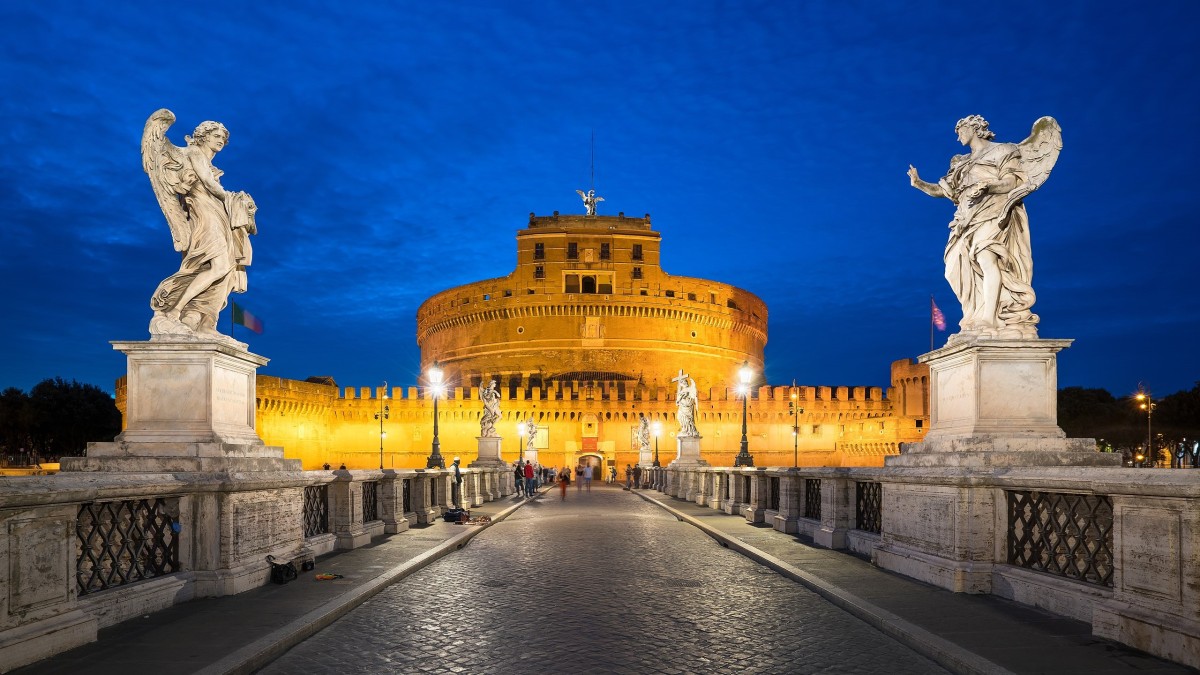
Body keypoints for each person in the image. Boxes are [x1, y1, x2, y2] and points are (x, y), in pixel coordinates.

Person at [907, 115, 1060, 339]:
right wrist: (919, 183)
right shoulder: (961, 162)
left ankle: (990, 318)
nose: (958, 134)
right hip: (965, 218)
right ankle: (974, 316)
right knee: (953, 269)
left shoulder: (1003, 150)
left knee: (986, 256)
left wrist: (989, 186)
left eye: (961, 129)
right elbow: (944, 191)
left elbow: (1012, 182)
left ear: (975, 128)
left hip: (994, 211)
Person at [144, 112, 257, 338]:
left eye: (223, 139)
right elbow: (206, 183)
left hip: (219, 216)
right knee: (219, 265)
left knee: (227, 270)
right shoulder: (194, 153)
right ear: (202, 136)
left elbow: (213, 185)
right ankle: (174, 311)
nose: (220, 141)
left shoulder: (212, 166)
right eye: (216, 135)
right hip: (204, 216)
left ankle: (206, 323)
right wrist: (231, 197)